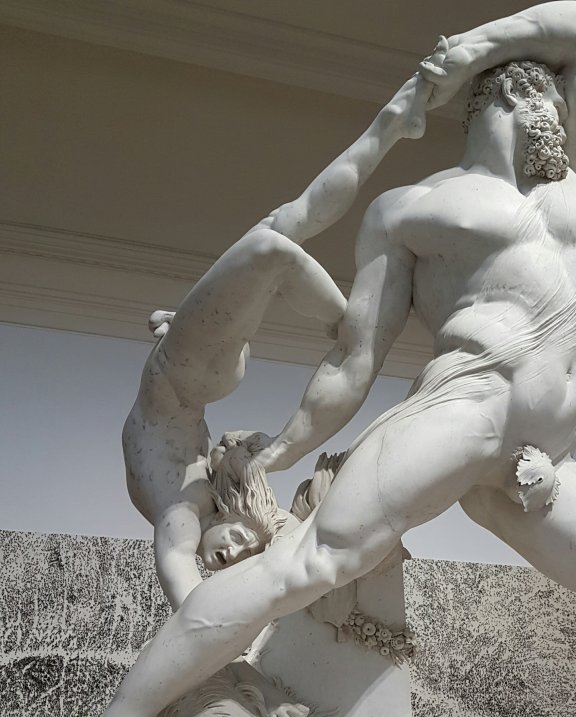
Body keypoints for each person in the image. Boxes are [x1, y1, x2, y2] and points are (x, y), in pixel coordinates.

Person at [15, 1, 576, 717]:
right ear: (513, 100)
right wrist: (281, 448)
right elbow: (352, 364)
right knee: (305, 567)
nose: (566, 118)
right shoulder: (412, 211)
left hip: (543, 469)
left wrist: (469, 44)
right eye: (550, 104)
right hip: (464, 408)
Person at [121, 71, 433, 611]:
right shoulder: (198, 494)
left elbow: (178, 572)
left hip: (187, 373)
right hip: (196, 372)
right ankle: (392, 124)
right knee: (286, 225)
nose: (233, 553)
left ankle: (348, 325)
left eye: (228, 557)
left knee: (275, 244)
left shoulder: (181, 514)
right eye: (246, 549)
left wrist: (344, 327)